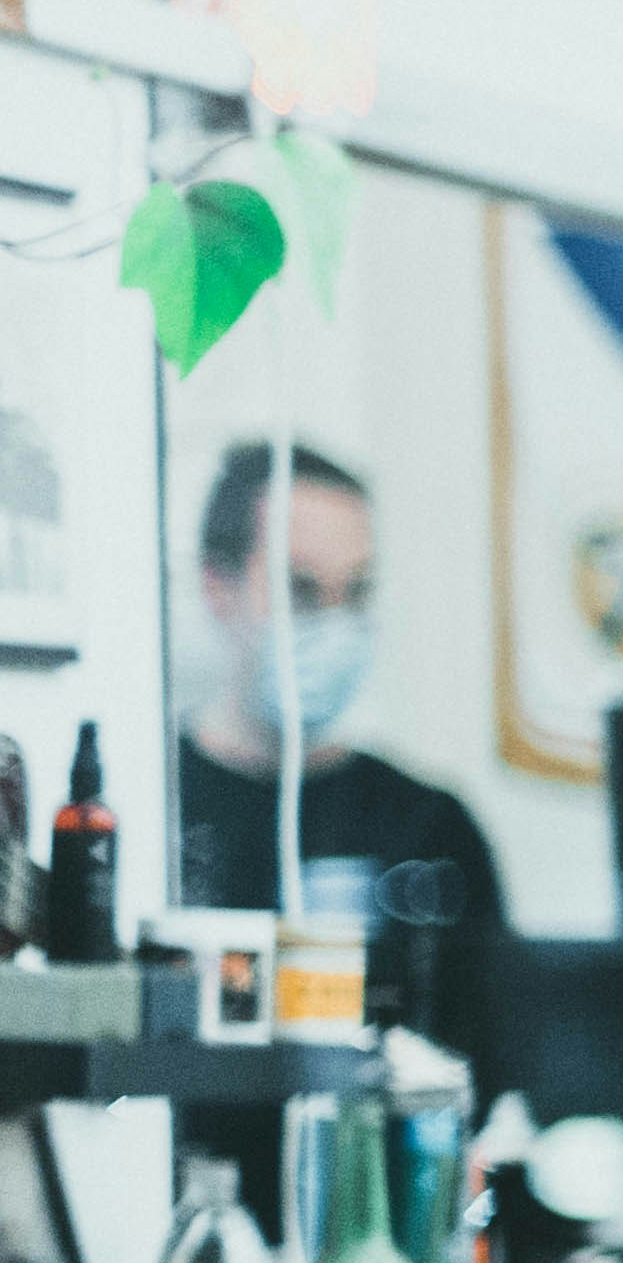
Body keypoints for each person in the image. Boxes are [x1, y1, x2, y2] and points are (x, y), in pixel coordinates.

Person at [173, 446, 505, 1066]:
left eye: (356, 591)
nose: (334, 622)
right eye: (299, 588)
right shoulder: (154, 806)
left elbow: (487, 1075)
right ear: (217, 587)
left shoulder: (431, 829)